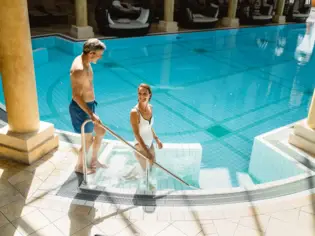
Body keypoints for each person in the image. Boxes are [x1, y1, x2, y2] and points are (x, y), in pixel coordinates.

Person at [69, 38, 108, 174]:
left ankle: (93, 160)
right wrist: (91, 114)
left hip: (89, 105)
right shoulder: (79, 70)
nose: (100, 57)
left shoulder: (86, 61)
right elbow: (76, 96)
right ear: (91, 53)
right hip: (82, 109)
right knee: (88, 141)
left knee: (101, 131)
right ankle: (79, 167)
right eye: (99, 54)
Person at [128, 83, 163, 186]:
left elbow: (149, 126)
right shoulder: (134, 112)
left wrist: (157, 139)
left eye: (145, 94)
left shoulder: (150, 107)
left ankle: (134, 175)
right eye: (140, 94)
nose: (142, 96)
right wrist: (147, 151)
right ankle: (145, 194)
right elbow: (136, 134)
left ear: (150, 95)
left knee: (152, 168)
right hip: (140, 146)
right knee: (146, 174)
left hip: (150, 143)